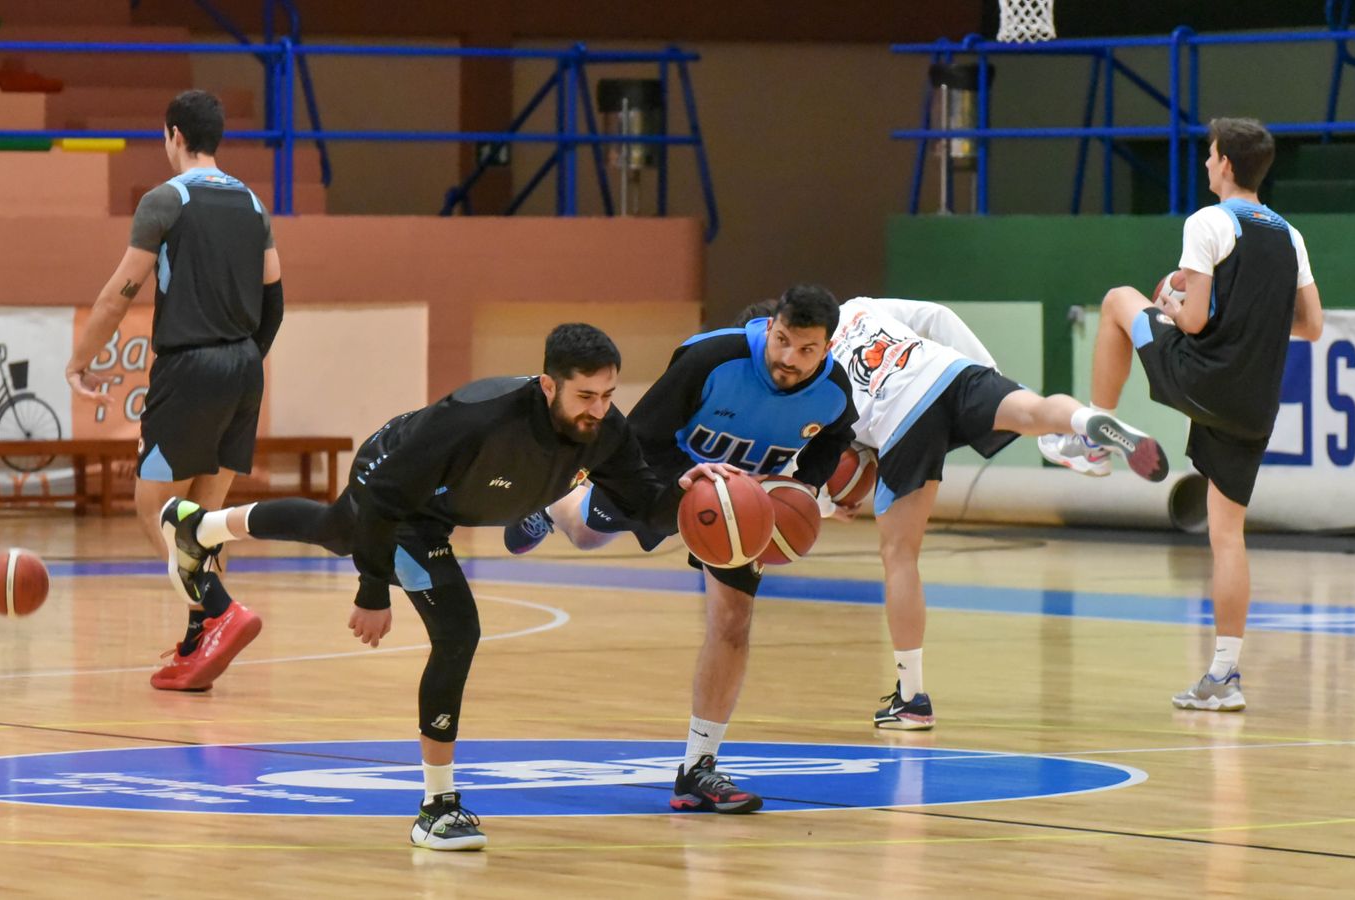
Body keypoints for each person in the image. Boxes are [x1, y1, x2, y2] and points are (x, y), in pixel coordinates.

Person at [159, 324, 730, 850]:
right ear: (548, 384)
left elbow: (645, 508)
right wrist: (372, 593)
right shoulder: (477, 417)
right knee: (456, 629)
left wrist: (696, 494)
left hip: (439, 501)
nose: (598, 410)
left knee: (336, 530)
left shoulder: (606, 431)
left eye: (607, 396)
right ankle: (437, 808)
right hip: (397, 486)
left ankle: (198, 526)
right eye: (586, 397)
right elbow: (384, 499)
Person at [506, 285, 858, 814]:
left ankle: (697, 769)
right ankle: (555, 502)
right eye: (782, 340)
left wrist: (804, 486)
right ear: (773, 327)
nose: (789, 357)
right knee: (589, 531)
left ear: (827, 346)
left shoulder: (833, 389)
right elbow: (641, 436)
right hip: (662, 475)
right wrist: (689, 481)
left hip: (738, 502)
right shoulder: (712, 358)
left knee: (733, 620)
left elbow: (835, 436)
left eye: (806, 349)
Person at [807, 295, 1167, 730]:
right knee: (1034, 412)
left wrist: (828, 503)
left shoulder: (806, 373)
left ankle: (911, 698)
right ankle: (1087, 425)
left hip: (899, 414)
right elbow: (937, 316)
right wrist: (989, 375)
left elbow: (819, 459)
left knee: (899, 556)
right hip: (952, 370)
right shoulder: (859, 305)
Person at [1070, 117, 1323, 712]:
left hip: (1205, 377)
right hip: (1255, 404)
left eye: (1210, 156)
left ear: (1227, 165)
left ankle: (1095, 436)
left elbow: (1197, 321)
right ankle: (1223, 679)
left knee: (1116, 302)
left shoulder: (1207, 222)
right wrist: (1247, 318)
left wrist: (1170, 302)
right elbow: (1312, 325)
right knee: (1227, 536)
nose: (1206, 164)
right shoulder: (1290, 234)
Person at [65, 89, 283, 692]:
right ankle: (197, 644)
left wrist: (80, 361)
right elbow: (275, 301)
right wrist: (243, 362)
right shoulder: (254, 204)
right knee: (204, 518)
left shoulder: (166, 200)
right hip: (245, 366)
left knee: (154, 509)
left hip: (190, 368)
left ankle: (220, 611)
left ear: (173, 135)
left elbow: (119, 293)